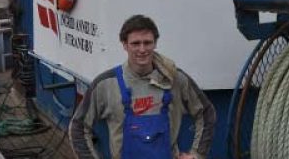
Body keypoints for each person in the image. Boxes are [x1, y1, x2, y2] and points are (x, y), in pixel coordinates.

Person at [70, 15, 216, 159]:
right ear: (124, 44)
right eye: (135, 43)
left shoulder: (176, 79)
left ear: (155, 43)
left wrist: (197, 154)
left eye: (147, 43)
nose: (142, 49)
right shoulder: (106, 84)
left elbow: (206, 113)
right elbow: (78, 127)